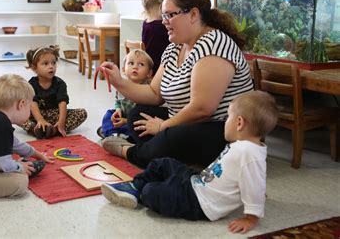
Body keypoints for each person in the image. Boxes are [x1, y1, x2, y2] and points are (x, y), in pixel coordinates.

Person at [100, 0, 254, 168]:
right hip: (186, 122)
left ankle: (133, 152)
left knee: (173, 135)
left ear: (193, 15)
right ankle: (158, 153)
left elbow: (202, 109)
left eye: (170, 15)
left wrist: (163, 126)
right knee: (137, 114)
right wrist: (118, 81)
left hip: (223, 129)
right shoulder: (175, 46)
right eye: (163, 14)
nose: (164, 21)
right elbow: (154, 94)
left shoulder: (213, 44)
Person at [101, 91, 279, 234]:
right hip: (198, 183)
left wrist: (251, 217)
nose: (225, 122)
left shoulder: (248, 152)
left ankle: (141, 190)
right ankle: (134, 187)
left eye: (228, 117)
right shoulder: (246, 147)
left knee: (152, 193)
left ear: (239, 123)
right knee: (163, 163)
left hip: (200, 203)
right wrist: (257, 190)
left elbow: (254, 183)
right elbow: (252, 179)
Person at [22, 45, 87, 139]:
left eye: (53, 63)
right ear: (34, 68)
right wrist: (40, 120)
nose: (51, 67)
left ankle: (55, 129)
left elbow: (62, 104)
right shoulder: (31, 84)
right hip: (36, 115)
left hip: (55, 114)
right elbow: (33, 104)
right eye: (45, 63)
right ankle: (35, 129)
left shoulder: (60, 84)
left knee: (82, 113)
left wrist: (61, 122)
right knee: (18, 115)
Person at [97, 49, 154, 139]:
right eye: (131, 63)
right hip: (123, 116)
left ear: (149, 73)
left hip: (135, 121)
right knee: (108, 115)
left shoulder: (148, 90)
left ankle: (123, 136)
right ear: (123, 69)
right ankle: (113, 134)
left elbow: (145, 116)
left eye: (141, 64)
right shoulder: (122, 85)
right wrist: (118, 110)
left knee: (140, 128)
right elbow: (118, 101)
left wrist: (126, 121)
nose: (135, 67)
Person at [141, 0, 170, 72]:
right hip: (157, 65)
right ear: (160, 7)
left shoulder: (146, 23)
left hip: (148, 61)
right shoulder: (159, 26)